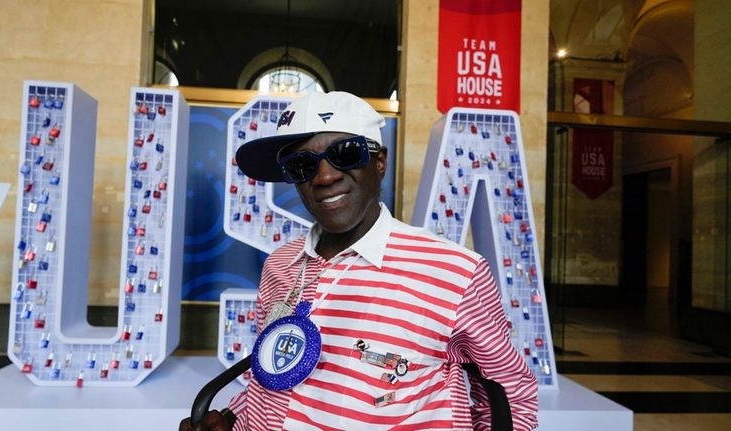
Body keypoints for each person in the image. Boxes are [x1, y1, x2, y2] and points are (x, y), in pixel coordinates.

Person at [181, 91, 538, 431]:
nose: (325, 176)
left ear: (379, 162)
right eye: (302, 165)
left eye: (346, 153)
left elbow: (510, 395)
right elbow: (275, 370)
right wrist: (234, 419)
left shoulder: (455, 271)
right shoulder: (280, 265)